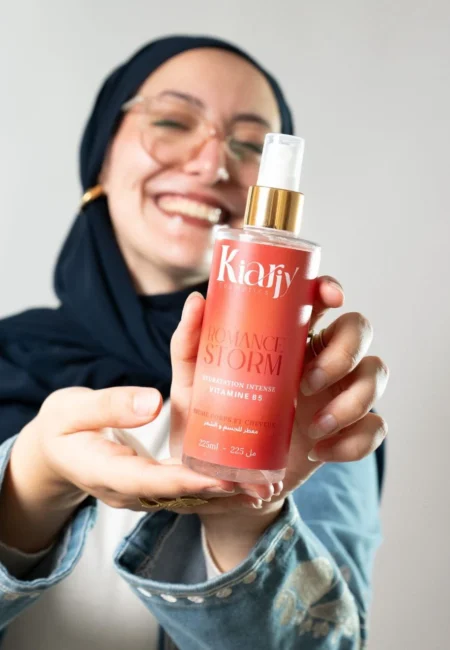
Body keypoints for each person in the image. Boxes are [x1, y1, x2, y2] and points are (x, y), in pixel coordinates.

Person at [0, 35, 389, 650]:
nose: (213, 165)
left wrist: (246, 523)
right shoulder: (8, 356)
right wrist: (28, 488)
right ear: (101, 155)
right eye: (173, 122)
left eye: (250, 144)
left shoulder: (307, 405)